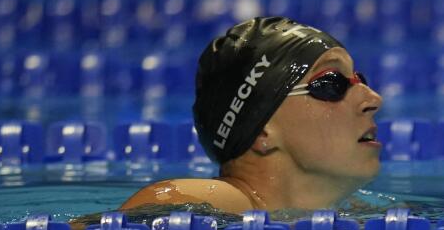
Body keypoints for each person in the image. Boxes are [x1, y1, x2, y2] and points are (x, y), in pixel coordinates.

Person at [121, 16, 384, 216]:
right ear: (262, 131)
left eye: (360, 79)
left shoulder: (363, 212)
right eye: (331, 83)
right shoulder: (195, 205)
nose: (373, 99)